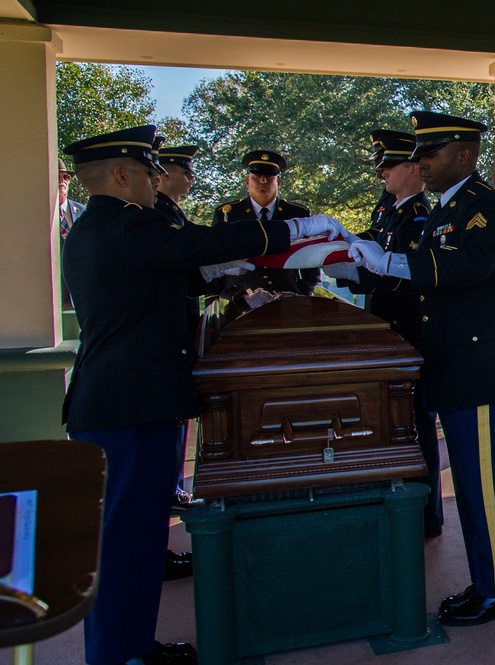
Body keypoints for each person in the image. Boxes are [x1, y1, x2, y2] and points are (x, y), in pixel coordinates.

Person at [62, 124, 341, 665]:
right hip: (125, 407)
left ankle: (135, 646)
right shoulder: (124, 227)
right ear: (121, 174)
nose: (157, 178)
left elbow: (184, 277)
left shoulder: (116, 229)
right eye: (148, 170)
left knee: (141, 540)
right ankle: (117, 655)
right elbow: (203, 244)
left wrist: (228, 276)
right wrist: (295, 233)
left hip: (135, 403)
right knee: (123, 544)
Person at [348, 111, 495, 627]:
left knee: (484, 489)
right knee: (474, 490)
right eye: (419, 155)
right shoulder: (444, 211)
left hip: (481, 371)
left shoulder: (483, 209)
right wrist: (361, 263)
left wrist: (386, 262)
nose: (421, 164)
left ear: (465, 154)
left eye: (430, 154)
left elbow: (464, 267)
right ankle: (487, 582)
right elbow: (428, 280)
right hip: (460, 371)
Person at [325, 129, 443, 538]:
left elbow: (409, 279)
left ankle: (424, 514)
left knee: (414, 425)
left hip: (409, 334)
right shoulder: (389, 211)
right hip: (387, 332)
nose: (382, 176)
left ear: (412, 169)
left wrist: (360, 270)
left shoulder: (419, 218)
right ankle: (400, 503)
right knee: (394, 424)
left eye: (388, 167)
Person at [153, 141, 204, 582]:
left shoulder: (168, 215)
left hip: (174, 351)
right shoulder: (152, 220)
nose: (189, 176)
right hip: (153, 366)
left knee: (167, 451)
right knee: (146, 484)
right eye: (181, 169)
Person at [212, 150, 318, 298]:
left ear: (278, 182)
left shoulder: (297, 213)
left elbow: (311, 259)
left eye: (269, 177)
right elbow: (214, 257)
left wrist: (304, 291)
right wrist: (215, 299)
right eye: (256, 177)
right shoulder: (228, 213)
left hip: (287, 295)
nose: (263, 181)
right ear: (247, 182)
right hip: (239, 298)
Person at [57, 158, 86, 308]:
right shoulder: (42, 215)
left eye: (65, 177)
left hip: (80, 293)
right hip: (54, 291)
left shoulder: (82, 211)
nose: (62, 181)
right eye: (58, 177)